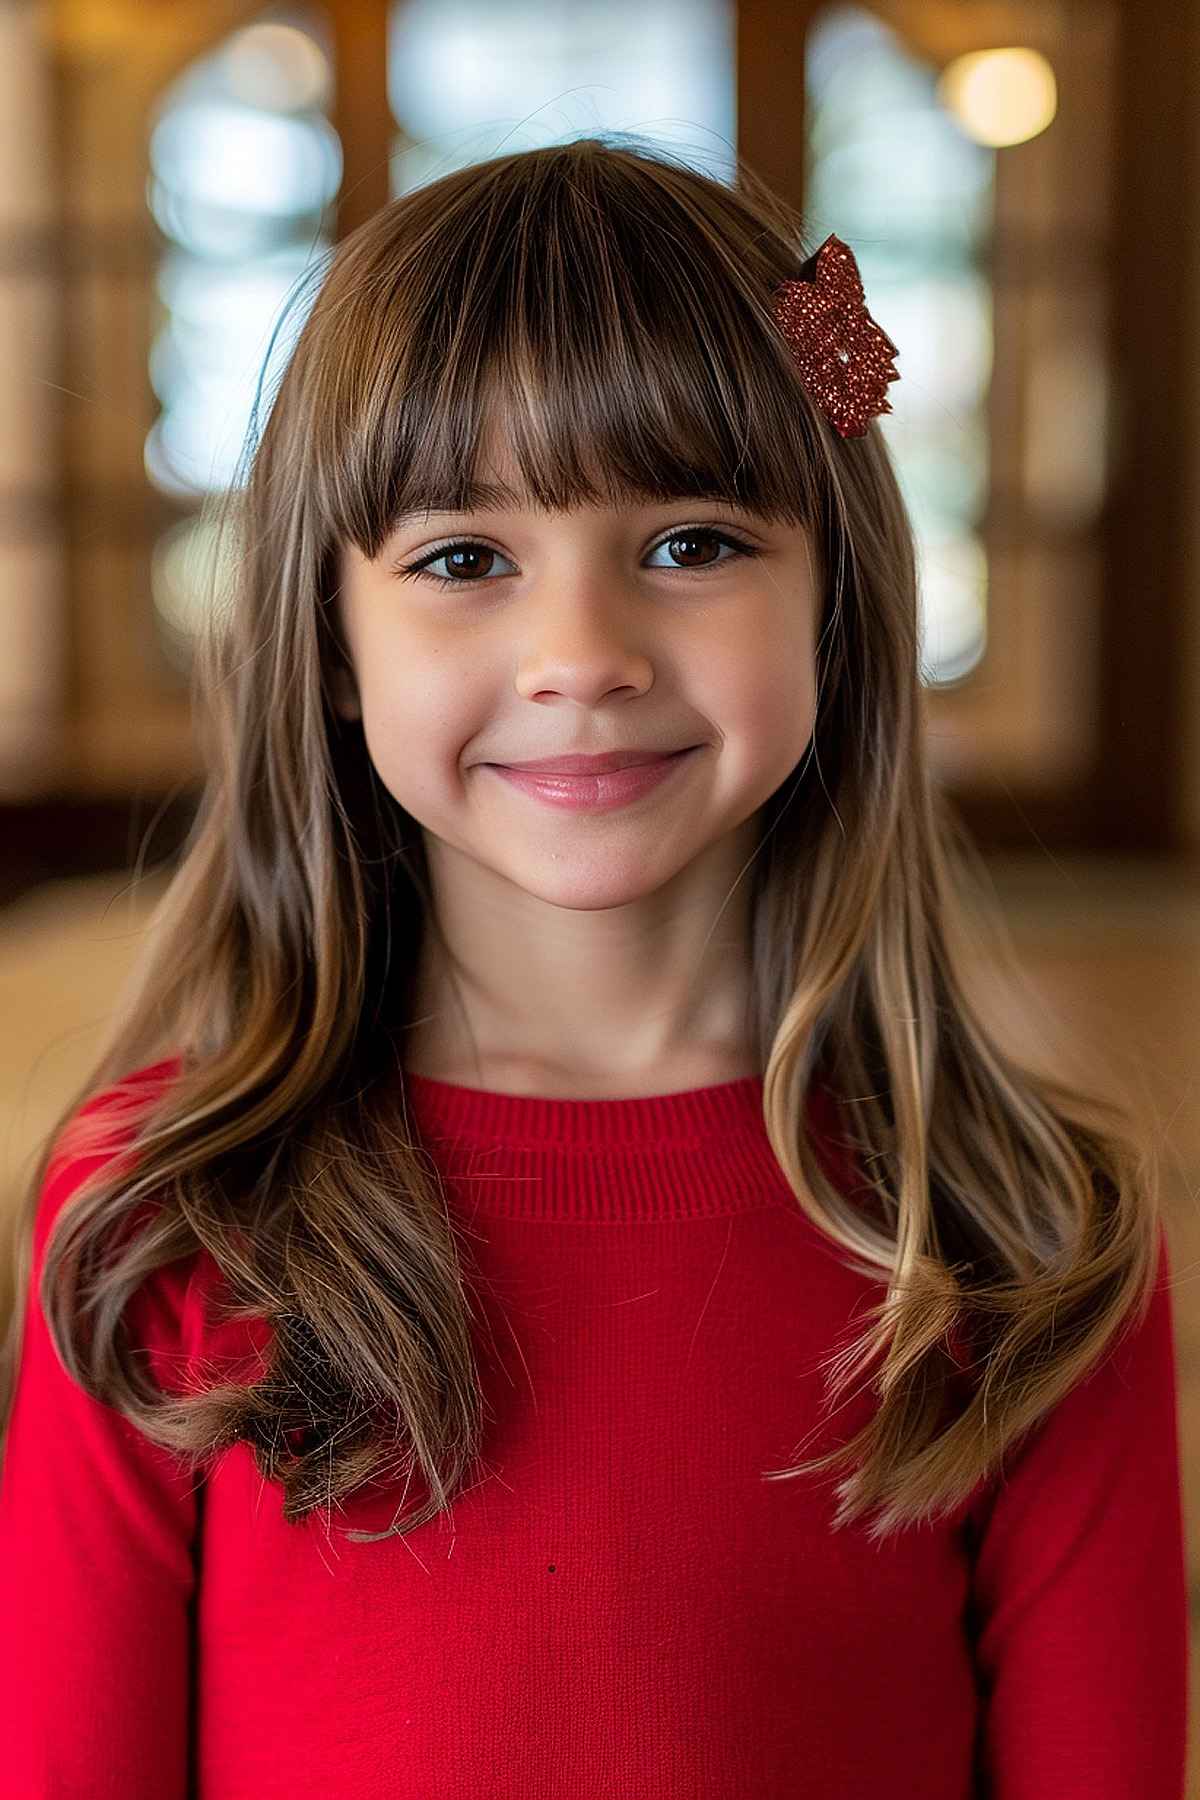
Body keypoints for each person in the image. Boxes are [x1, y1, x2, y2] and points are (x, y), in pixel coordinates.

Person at [0, 135, 1187, 1799]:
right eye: (463, 559)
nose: (582, 658)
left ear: (838, 600)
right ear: (329, 646)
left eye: (693, 541)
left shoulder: (1032, 1242)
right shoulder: (156, 1223)